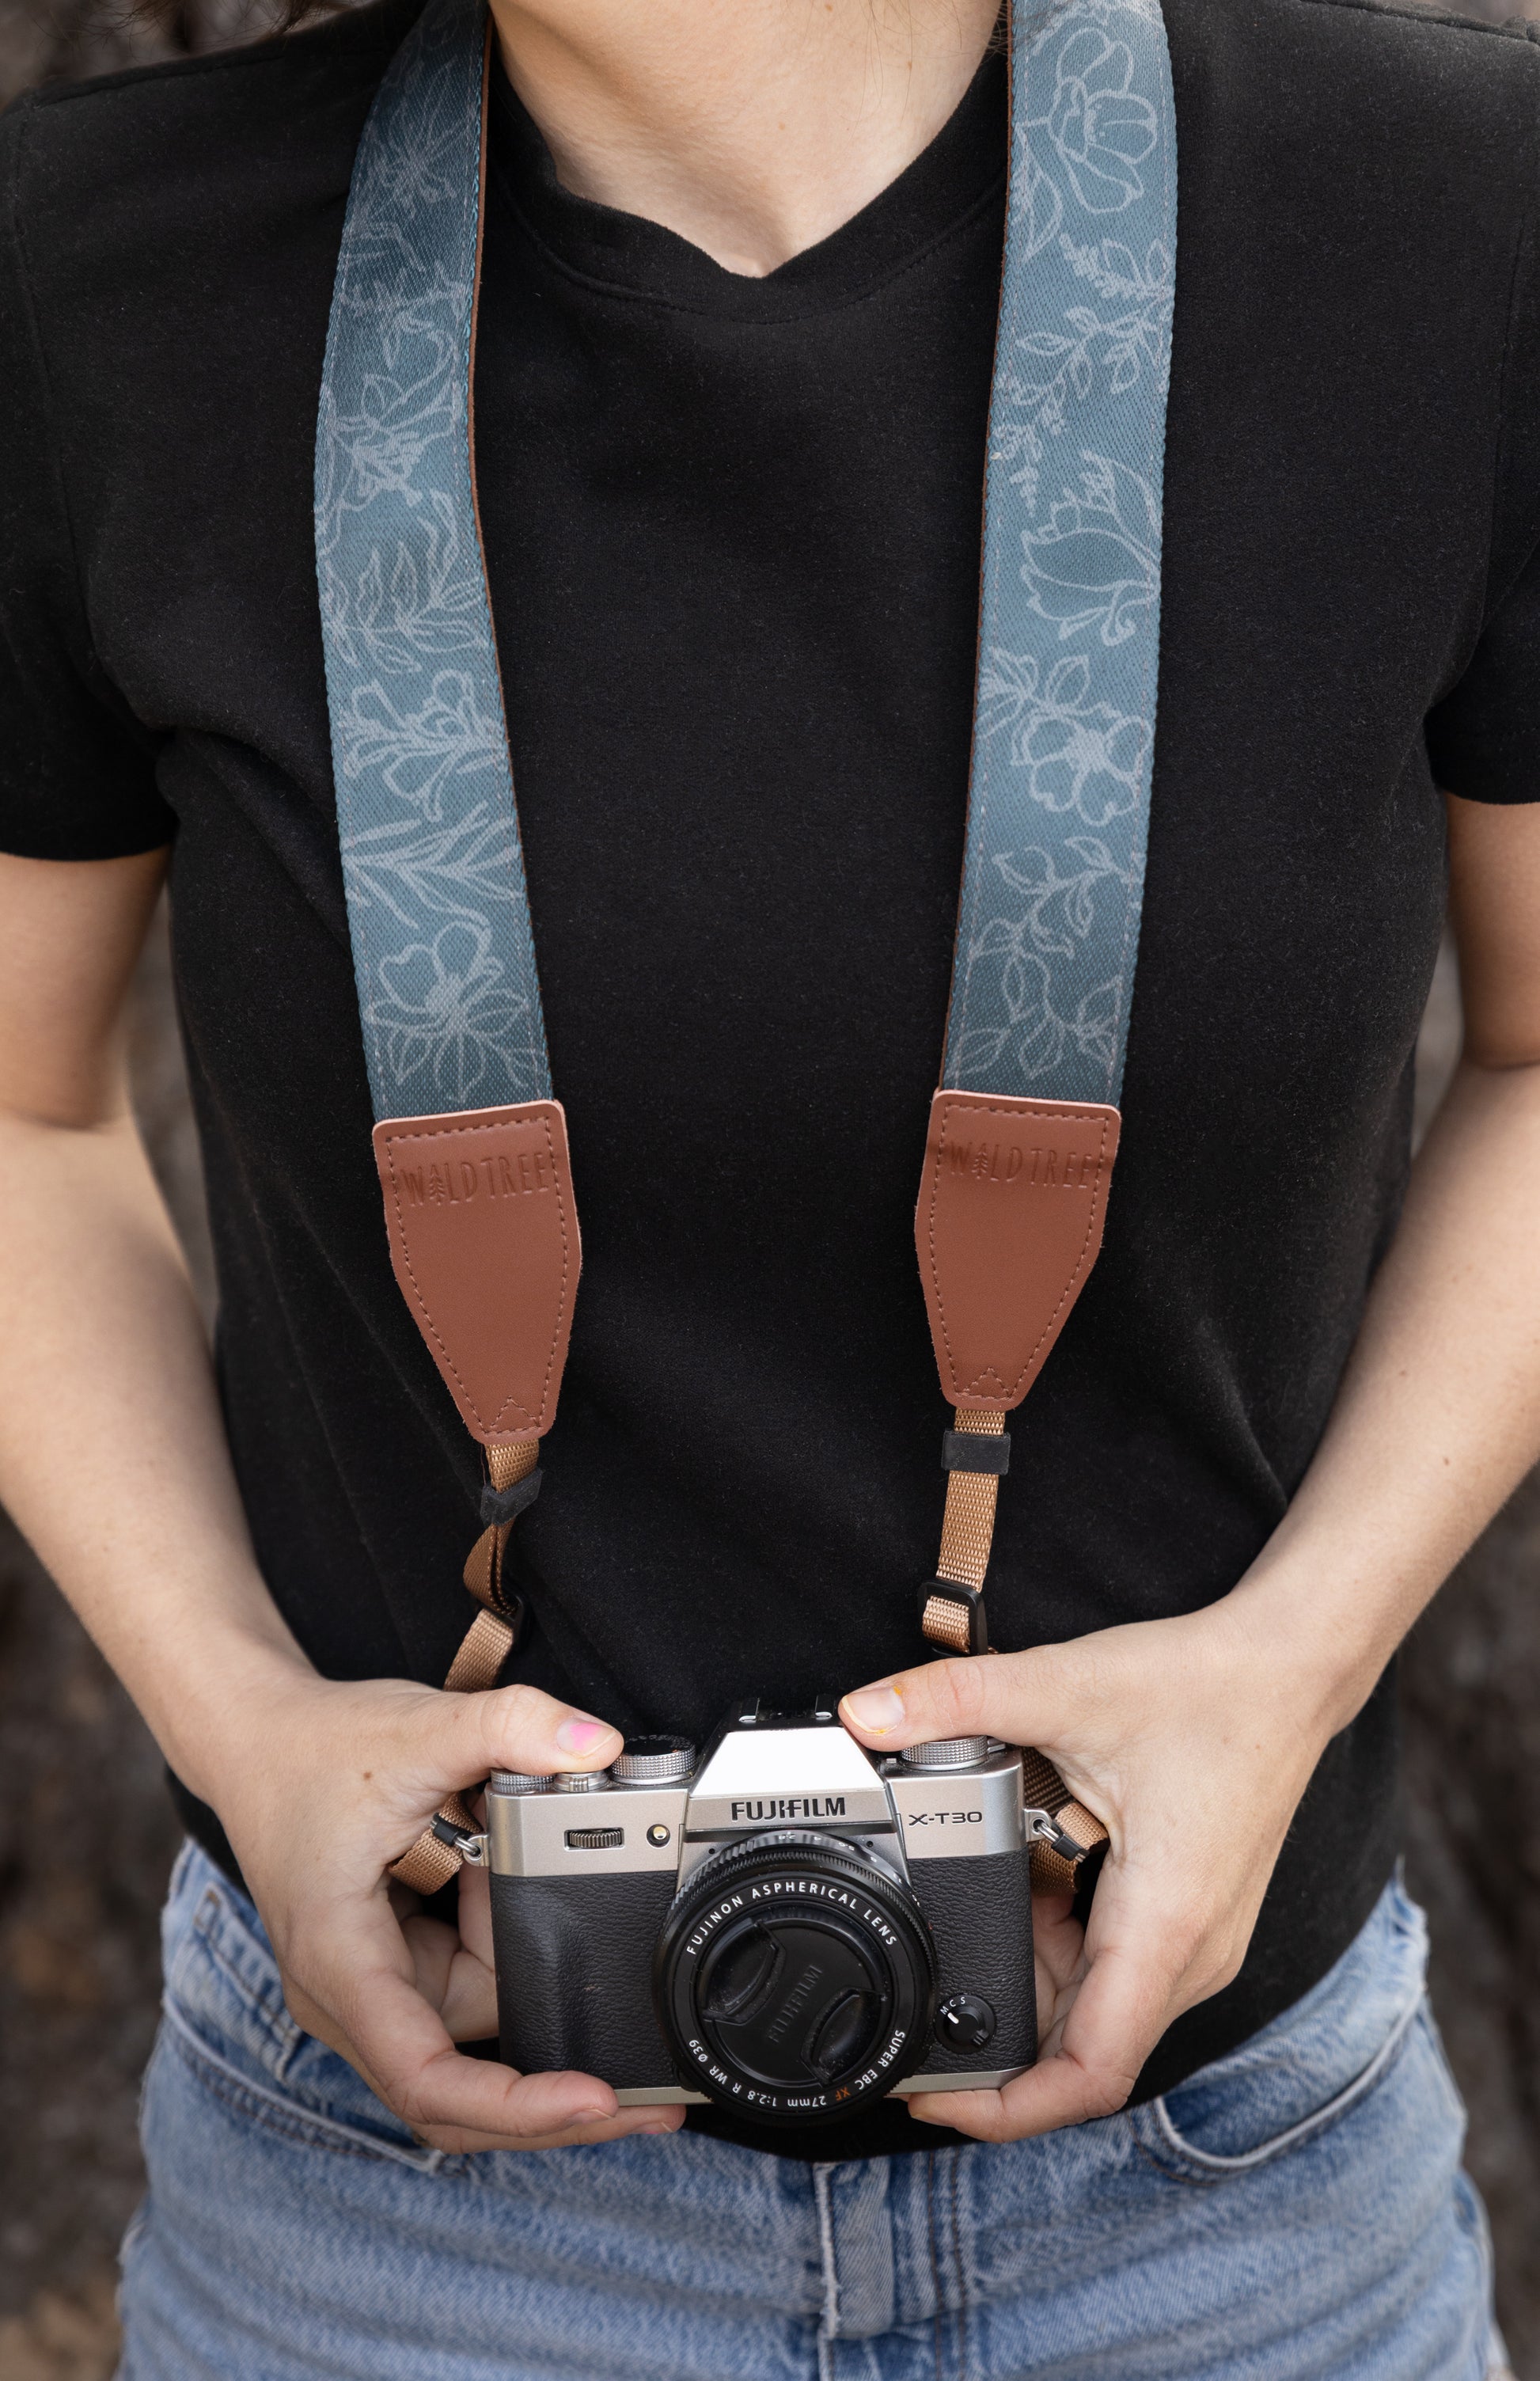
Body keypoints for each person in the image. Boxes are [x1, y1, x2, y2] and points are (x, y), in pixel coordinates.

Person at [1, 0, 1538, 2366]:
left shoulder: (1455, 208)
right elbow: (17, 1105)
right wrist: (239, 1720)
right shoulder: (101, 278)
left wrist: (1283, 1667)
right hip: (400, 2220)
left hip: (1230, 2213)